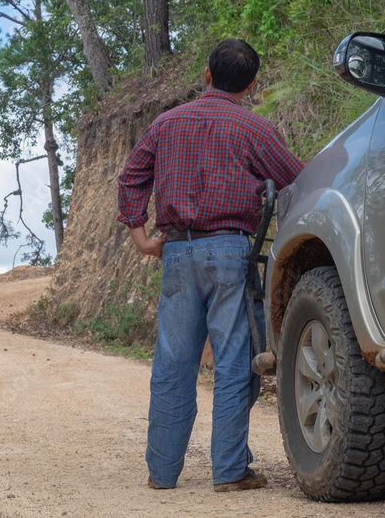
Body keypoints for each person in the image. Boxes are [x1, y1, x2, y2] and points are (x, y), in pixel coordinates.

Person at [117, 39, 303, 492]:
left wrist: (143, 239)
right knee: (234, 362)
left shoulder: (166, 124)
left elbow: (130, 178)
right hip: (231, 254)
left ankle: (162, 474)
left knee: (172, 365)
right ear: (253, 84)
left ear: (205, 74)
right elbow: (297, 179)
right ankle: (229, 471)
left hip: (177, 253)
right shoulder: (254, 128)